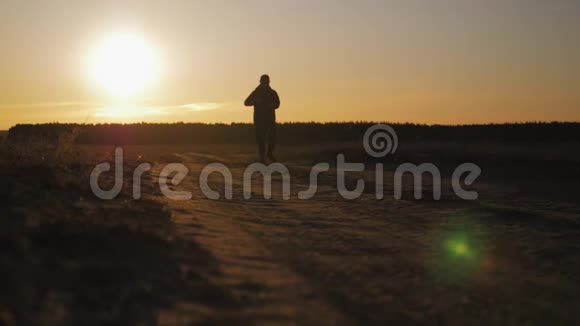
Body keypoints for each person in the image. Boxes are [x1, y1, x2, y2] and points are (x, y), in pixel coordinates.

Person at [244, 74, 280, 163]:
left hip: (269, 119)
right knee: (261, 139)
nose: (264, 84)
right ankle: (262, 158)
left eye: (266, 82)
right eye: (263, 82)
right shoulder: (256, 92)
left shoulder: (272, 92)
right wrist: (255, 100)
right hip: (259, 120)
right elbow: (246, 102)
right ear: (260, 82)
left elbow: (277, 103)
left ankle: (269, 154)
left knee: (272, 138)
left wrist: (271, 105)